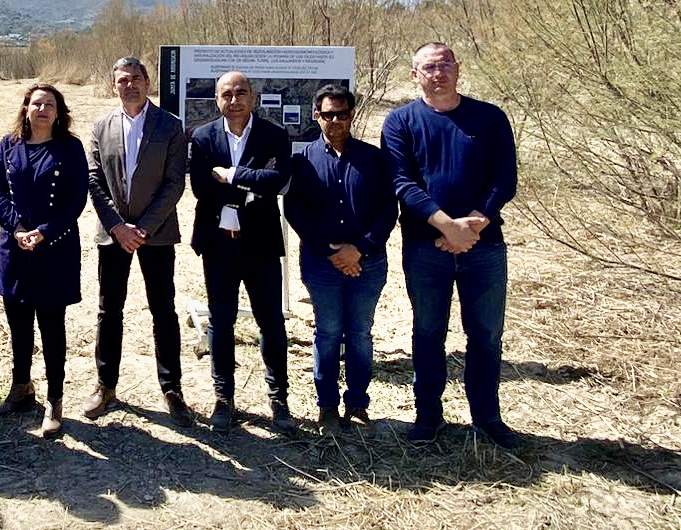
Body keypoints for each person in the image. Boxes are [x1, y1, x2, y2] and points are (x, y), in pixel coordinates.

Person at [380, 42, 519, 448]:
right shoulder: (400, 122)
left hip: (484, 247)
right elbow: (402, 182)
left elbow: (504, 179)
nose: (438, 73)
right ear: (415, 75)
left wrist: (474, 224)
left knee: (486, 335)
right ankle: (428, 416)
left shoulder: (489, 117)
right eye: (428, 67)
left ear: (458, 69)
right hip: (426, 248)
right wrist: (446, 226)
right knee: (428, 333)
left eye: (444, 65)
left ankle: (487, 418)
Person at [83, 56, 192, 425]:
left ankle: (172, 389)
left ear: (148, 81)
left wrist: (142, 228)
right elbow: (94, 181)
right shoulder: (101, 126)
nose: (130, 85)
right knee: (108, 310)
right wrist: (118, 227)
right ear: (114, 85)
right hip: (113, 234)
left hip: (156, 234)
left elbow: (174, 183)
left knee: (163, 310)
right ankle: (105, 385)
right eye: (122, 80)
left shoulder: (171, 125)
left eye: (136, 78)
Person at [283, 82, 396, 435]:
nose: (335, 121)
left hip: (368, 262)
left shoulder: (373, 159)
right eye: (328, 115)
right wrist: (332, 252)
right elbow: (295, 212)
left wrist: (359, 249)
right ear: (316, 116)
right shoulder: (302, 161)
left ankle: (358, 405)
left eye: (342, 114)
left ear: (351, 115)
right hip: (322, 264)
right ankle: (327, 407)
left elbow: (387, 211)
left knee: (360, 333)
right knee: (329, 333)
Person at [188, 70, 296, 435]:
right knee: (222, 322)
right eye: (227, 94)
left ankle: (279, 400)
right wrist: (253, 183)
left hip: (260, 243)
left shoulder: (274, 135)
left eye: (241, 93)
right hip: (218, 244)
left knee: (271, 322)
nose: (234, 101)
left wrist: (232, 175)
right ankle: (224, 399)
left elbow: (278, 180)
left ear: (253, 96)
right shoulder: (203, 136)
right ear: (217, 99)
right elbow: (201, 187)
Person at [0, 83, 89, 438]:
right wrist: (16, 228)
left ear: (59, 112)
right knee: (18, 326)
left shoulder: (70, 147)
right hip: (15, 248)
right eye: (36, 104)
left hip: (54, 249)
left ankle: (55, 399)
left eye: (49, 104)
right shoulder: (8, 145)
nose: (42, 109)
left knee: (52, 328)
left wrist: (44, 231)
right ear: (26, 109)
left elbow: (76, 198)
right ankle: (21, 388)